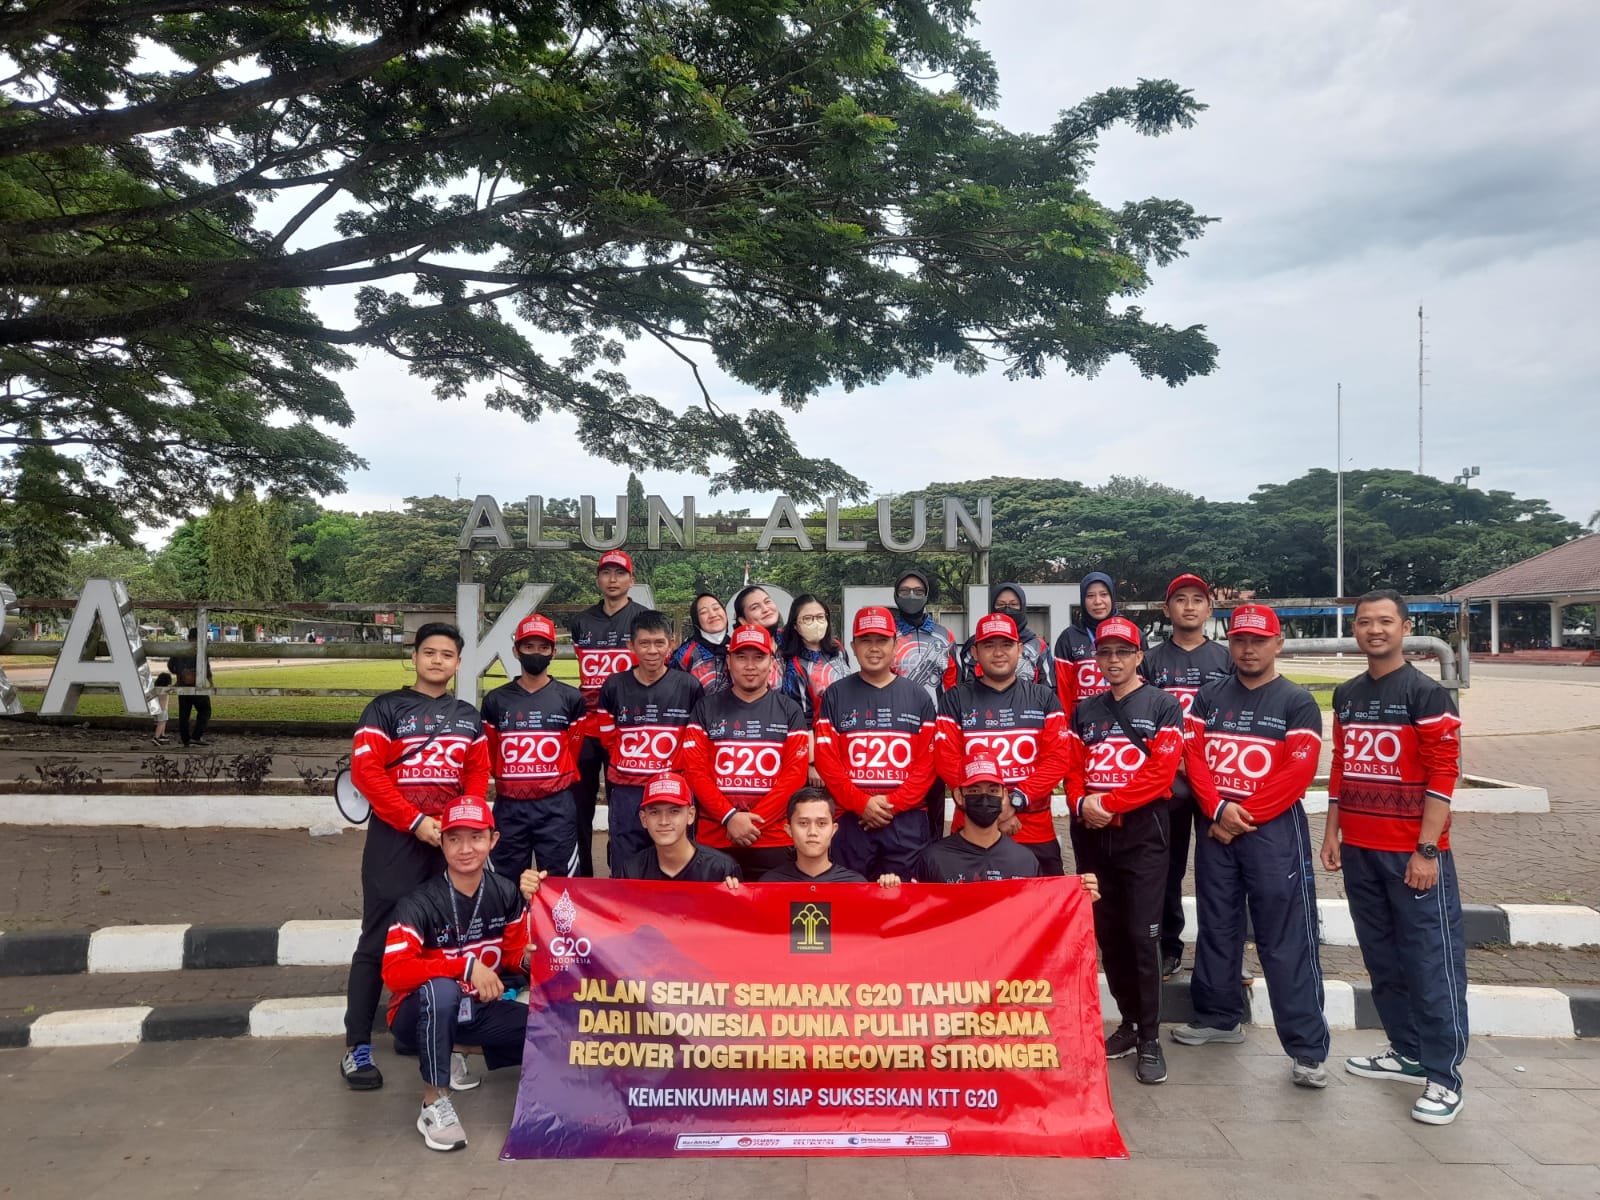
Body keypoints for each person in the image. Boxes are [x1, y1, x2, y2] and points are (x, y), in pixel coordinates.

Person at [1322, 589, 1468, 1126]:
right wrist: (1333, 833)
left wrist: (1427, 849)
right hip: (1360, 850)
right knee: (1383, 960)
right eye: (1365, 622)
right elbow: (1341, 767)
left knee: (1431, 964)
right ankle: (1407, 1054)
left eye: (1385, 621)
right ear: (1355, 629)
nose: (1374, 630)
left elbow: (1443, 774)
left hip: (1413, 856)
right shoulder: (1347, 694)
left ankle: (1444, 1077)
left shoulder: (1428, 695)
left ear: (1405, 628)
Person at [1173, 604, 1330, 1091]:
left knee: (1283, 939)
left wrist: (1242, 817)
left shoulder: (1297, 702)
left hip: (1272, 836)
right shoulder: (1208, 698)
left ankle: (1306, 1049)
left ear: (1278, 644)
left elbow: (1296, 773)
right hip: (1217, 829)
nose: (1248, 648)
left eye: (1259, 640)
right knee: (1217, 926)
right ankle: (1219, 1018)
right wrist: (1218, 811)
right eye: (1240, 639)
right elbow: (1194, 756)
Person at [341, 622, 490, 1091]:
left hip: (449, 844)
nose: (438, 660)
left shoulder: (468, 716)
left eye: (448, 654)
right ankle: (357, 1046)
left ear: (459, 662)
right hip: (396, 842)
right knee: (378, 941)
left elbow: (476, 776)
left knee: (440, 942)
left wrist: (462, 832)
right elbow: (367, 773)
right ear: (415, 657)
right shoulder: (385, 707)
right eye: (429, 652)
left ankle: (413, 1027)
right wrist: (415, 821)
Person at [1063, 615, 1184, 1086]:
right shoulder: (1084, 710)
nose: (1113, 660)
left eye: (1122, 652)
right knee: (1107, 932)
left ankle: (1151, 1036)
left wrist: (1109, 804)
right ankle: (1129, 1025)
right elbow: (1073, 767)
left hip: (1141, 832)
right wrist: (1080, 802)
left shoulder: (1163, 705)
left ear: (1139, 656)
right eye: (1105, 653)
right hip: (1091, 831)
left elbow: (1161, 773)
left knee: (1141, 935)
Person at [381, 798, 531, 1152]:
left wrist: (528, 957)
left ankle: (454, 1049)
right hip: (414, 1014)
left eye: (476, 837)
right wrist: (463, 966)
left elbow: (511, 957)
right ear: (441, 842)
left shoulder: (506, 892)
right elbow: (395, 973)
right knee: (442, 990)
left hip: (475, 1010)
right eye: (455, 839)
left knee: (547, 1031)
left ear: (493, 840)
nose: (466, 849)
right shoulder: (417, 903)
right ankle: (433, 1103)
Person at [1140, 573, 1234, 979]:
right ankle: (1168, 946)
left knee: (1221, 871)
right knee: (1169, 867)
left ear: (1209, 609)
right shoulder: (1151, 660)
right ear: (1167, 609)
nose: (1190, 606)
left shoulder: (1227, 659)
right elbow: (1139, 721)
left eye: (1198, 599)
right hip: (1170, 783)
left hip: (1218, 782)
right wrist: (1173, 761)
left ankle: (1226, 953)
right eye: (1180, 599)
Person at [936, 612, 1072, 875]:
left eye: (1006, 645)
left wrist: (1015, 801)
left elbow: (1057, 760)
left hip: (1033, 831)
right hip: (972, 834)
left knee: (1042, 912)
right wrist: (990, 809)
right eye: (989, 645)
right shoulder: (955, 699)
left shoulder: (1043, 698)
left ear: (1020, 649)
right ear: (975, 652)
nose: (998, 653)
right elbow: (946, 760)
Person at [812, 606, 938, 880]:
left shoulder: (918, 696)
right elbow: (825, 758)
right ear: (853, 646)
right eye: (865, 641)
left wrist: (892, 804)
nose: (873, 648)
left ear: (895, 644)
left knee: (905, 904)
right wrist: (861, 803)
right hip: (851, 819)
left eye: (881, 640)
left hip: (906, 820)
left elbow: (928, 764)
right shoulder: (835, 694)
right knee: (851, 903)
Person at [677, 624, 809, 879]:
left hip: (772, 838)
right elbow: (694, 771)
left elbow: (794, 775)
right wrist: (729, 818)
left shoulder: (790, 710)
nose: (750, 665)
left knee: (771, 916)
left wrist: (753, 820)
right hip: (716, 837)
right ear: (729, 661)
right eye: (741, 657)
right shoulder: (706, 708)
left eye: (759, 657)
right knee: (714, 916)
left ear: (772, 662)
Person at [480, 614, 587, 879]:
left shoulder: (571, 698)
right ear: (516, 651)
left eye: (542, 647)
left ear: (552, 651)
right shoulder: (495, 700)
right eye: (528, 647)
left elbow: (571, 748)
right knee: (504, 883)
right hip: (509, 806)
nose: (535, 653)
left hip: (556, 806)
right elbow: (493, 752)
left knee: (560, 884)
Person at [597, 610, 704, 872]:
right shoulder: (613, 686)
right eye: (644, 643)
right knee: (625, 862)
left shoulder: (689, 686)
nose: (652, 651)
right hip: (627, 789)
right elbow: (608, 736)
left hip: (673, 789)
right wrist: (630, 763)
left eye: (659, 643)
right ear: (631, 646)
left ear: (672, 643)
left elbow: (696, 739)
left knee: (676, 860)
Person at [568, 550, 649, 876]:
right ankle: (583, 881)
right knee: (579, 809)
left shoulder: (643, 617)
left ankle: (623, 877)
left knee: (624, 809)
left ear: (631, 580)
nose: (613, 580)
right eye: (606, 573)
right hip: (587, 727)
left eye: (620, 573)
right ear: (599, 579)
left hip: (627, 729)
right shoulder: (582, 622)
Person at [525, 772, 742, 885]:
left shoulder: (722, 870)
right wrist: (538, 889)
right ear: (643, 818)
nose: (664, 821)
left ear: (691, 815)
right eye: (655, 812)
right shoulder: (630, 871)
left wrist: (735, 900)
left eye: (674, 811)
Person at [889, 567, 959, 842]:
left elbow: (951, 685)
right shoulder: (887, 633)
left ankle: (932, 860)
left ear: (927, 595)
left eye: (918, 591)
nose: (911, 596)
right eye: (905, 591)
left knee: (934, 801)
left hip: (934, 732)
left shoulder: (944, 636)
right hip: (896, 732)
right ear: (896, 595)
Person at [908, 754, 1041, 883]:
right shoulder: (933, 859)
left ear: (1004, 795)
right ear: (959, 796)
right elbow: (916, 903)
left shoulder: (1026, 860)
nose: (984, 798)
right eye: (974, 791)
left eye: (993, 791)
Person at [1054, 572, 1144, 725]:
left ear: (1112, 597)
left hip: (1127, 720)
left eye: (1104, 594)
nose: (1098, 601)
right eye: (1090, 596)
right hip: (1084, 723)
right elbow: (1063, 689)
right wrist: (1067, 727)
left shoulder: (1132, 632)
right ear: (1083, 600)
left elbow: (1143, 680)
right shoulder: (1069, 637)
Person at [956, 582, 1057, 687]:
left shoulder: (1038, 645)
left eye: (1013, 604)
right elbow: (965, 683)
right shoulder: (977, 642)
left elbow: (1048, 686)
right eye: (1001, 605)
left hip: (1028, 702)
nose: (1007, 609)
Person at [760, 787, 869, 882]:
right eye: (803, 823)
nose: (812, 832)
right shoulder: (770, 883)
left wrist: (886, 886)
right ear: (789, 830)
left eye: (821, 823)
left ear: (833, 829)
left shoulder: (854, 884)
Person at [779, 594, 851, 723]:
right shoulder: (794, 666)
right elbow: (803, 719)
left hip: (849, 723)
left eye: (820, 617)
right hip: (820, 734)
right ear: (795, 624)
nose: (816, 623)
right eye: (807, 619)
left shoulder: (838, 648)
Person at [670, 592, 730, 695]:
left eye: (716, 608)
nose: (712, 615)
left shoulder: (738, 647)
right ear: (696, 620)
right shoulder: (685, 654)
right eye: (703, 612)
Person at [167, 628, 214, 747]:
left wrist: (178, 674)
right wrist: (211, 683)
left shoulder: (180, 648)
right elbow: (206, 668)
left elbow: (170, 665)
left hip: (182, 686)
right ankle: (196, 736)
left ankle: (185, 739)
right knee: (205, 710)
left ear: (188, 636)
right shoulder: (200, 649)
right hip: (197, 685)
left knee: (184, 715)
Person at [151, 670, 171, 746]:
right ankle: (156, 737)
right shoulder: (167, 688)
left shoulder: (156, 687)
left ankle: (162, 734)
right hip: (162, 708)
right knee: (161, 723)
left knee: (163, 721)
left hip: (155, 708)